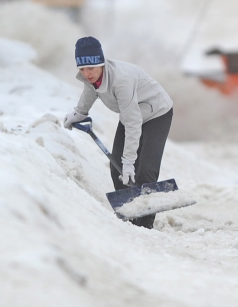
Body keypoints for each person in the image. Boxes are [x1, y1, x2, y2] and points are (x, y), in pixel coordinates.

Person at [62, 37, 174, 229]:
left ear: (102, 63)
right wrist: (80, 113)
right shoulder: (91, 78)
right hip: (132, 114)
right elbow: (90, 92)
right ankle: (130, 219)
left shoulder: (122, 79)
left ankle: (145, 226)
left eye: (91, 68)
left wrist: (129, 161)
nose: (87, 74)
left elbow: (132, 123)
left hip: (157, 113)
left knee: (145, 171)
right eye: (82, 69)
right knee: (117, 170)